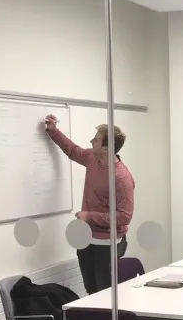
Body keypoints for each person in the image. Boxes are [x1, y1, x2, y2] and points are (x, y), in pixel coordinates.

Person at [44, 115, 135, 295]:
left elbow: (125, 216)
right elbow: (73, 150)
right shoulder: (93, 158)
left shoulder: (121, 177)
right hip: (86, 239)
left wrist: (89, 216)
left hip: (108, 244)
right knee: (91, 292)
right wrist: (53, 131)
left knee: (105, 294)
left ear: (106, 148)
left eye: (96, 139)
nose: (91, 141)